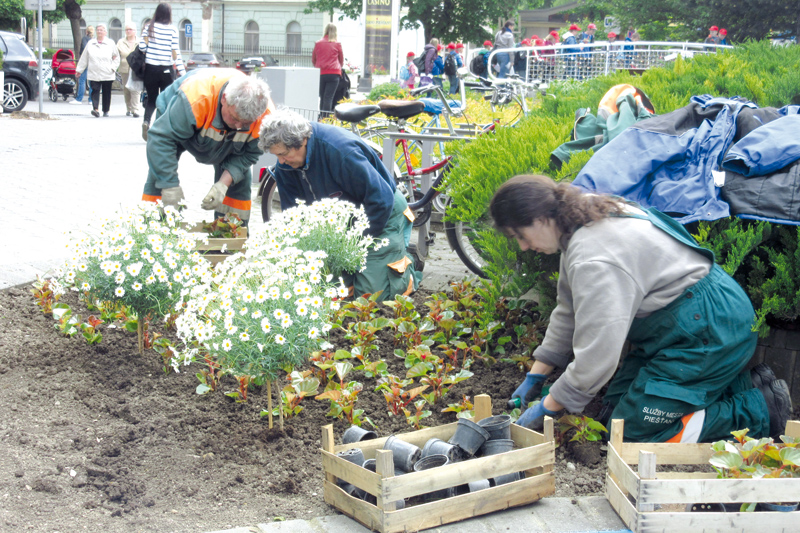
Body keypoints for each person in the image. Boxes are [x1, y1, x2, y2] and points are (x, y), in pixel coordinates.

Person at [492, 174, 792, 443]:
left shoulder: (593, 255)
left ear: (542, 217)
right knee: (613, 413)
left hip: (710, 331)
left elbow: (597, 356)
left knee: (632, 434)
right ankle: (744, 385)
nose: (523, 246)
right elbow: (568, 310)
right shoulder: (581, 219)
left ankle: (759, 410)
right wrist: (537, 375)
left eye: (521, 234)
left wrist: (549, 407)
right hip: (687, 325)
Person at [258, 109, 422, 301]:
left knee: (371, 298)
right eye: (276, 155)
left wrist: (355, 246)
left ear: (302, 141)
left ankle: (409, 268)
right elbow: (293, 216)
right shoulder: (285, 166)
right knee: (330, 291)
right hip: (342, 218)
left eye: (283, 154)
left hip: (381, 212)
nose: (281, 161)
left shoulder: (340, 151)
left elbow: (380, 199)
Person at [142, 68, 273, 225]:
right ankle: (153, 234)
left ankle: (230, 241)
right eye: (234, 118)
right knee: (160, 173)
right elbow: (161, 140)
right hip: (178, 117)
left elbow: (249, 154)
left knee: (238, 182)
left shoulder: (266, 118)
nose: (238, 127)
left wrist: (223, 184)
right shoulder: (195, 99)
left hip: (221, 134)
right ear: (224, 99)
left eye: (246, 123)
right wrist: (169, 185)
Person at [140, 2, 186, 141]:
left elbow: (142, 47)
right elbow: (175, 53)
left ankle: (146, 121)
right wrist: (183, 73)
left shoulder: (149, 28)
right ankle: (158, 129)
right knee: (166, 100)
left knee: (152, 99)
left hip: (150, 69)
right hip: (166, 70)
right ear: (169, 14)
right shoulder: (172, 30)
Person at [74, 23, 120, 118]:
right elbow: (84, 57)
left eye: (101, 30)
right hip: (94, 72)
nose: (99, 31)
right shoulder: (91, 43)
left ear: (105, 32)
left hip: (107, 72)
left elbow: (116, 58)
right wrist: (79, 70)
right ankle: (95, 109)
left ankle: (106, 110)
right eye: (98, 30)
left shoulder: (110, 43)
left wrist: (113, 68)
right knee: (95, 90)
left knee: (106, 92)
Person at [312, 23, 344, 120]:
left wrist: (318, 67)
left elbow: (314, 59)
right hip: (334, 74)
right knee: (328, 97)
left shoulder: (318, 43)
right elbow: (341, 60)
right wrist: (338, 68)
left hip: (321, 73)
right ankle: (326, 119)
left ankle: (321, 117)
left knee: (322, 97)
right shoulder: (337, 44)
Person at [117, 22, 142, 118]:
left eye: (130, 29)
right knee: (127, 89)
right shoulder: (120, 42)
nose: (128, 31)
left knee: (136, 89)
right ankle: (129, 108)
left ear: (135, 31)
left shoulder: (140, 42)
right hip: (124, 68)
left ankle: (135, 110)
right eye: (127, 29)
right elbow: (116, 54)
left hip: (136, 69)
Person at [70, 26, 94, 105]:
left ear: (86, 31)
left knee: (82, 80)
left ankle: (79, 99)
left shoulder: (84, 39)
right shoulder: (94, 40)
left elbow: (84, 49)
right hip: (92, 62)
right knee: (91, 81)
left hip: (86, 61)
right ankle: (91, 99)